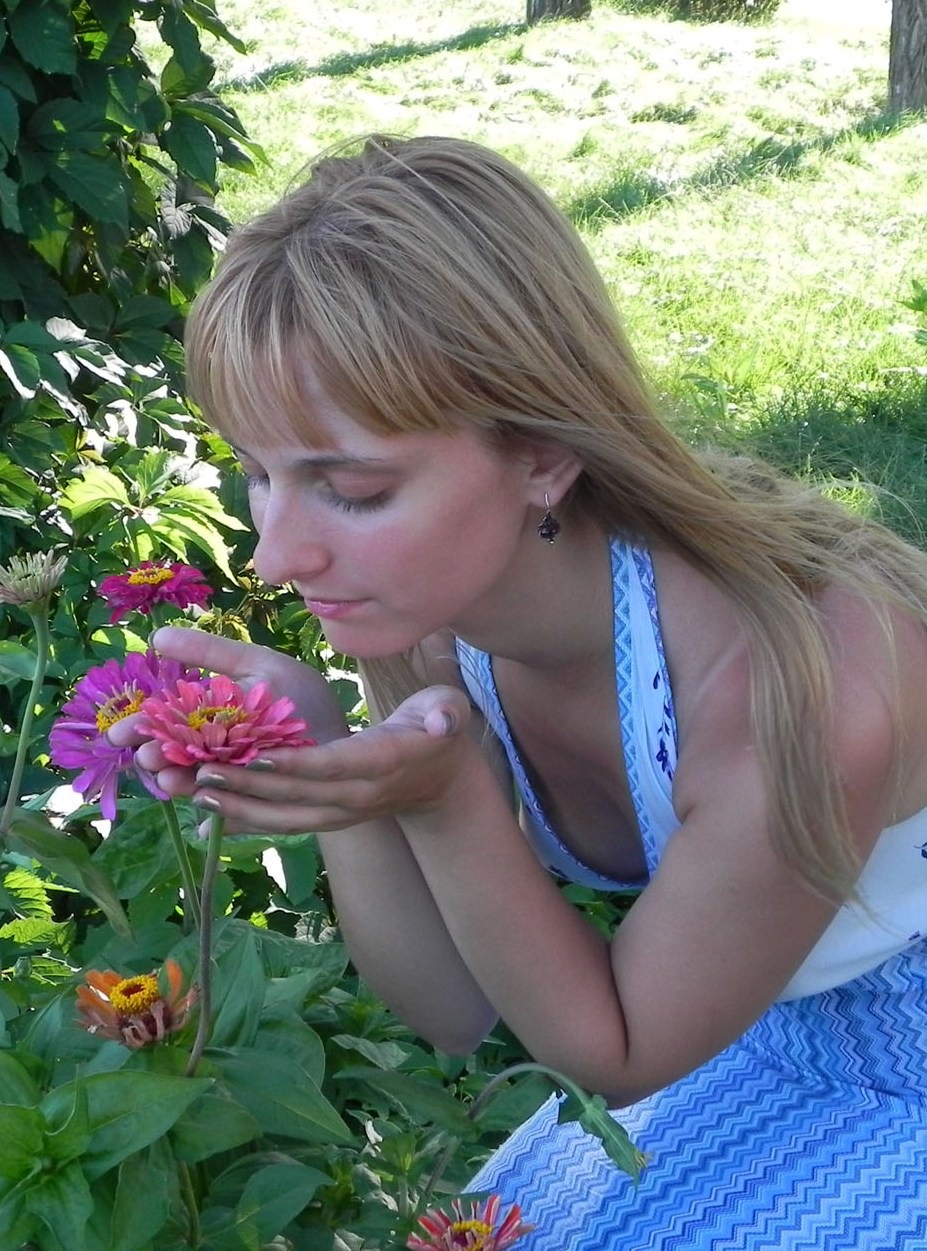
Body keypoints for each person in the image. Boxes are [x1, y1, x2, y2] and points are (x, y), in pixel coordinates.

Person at [119, 134, 927, 1248]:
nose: (274, 555)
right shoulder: (436, 615)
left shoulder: (795, 681)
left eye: (351, 489)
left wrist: (448, 798)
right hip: (757, 1035)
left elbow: (620, 1055)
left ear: (542, 454)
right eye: (258, 474)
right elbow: (451, 1011)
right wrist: (330, 764)